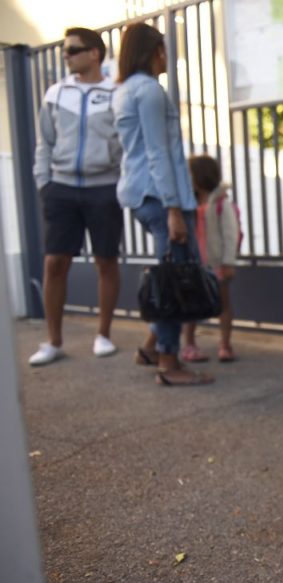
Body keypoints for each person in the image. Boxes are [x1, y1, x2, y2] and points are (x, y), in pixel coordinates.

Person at [114, 22, 212, 386]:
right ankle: (169, 365)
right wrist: (174, 209)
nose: (168, 56)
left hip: (142, 192)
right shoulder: (151, 92)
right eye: (164, 48)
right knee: (176, 279)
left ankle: (152, 346)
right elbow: (158, 153)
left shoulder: (125, 91)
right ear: (154, 51)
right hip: (161, 196)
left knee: (172, 269)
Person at [29, 27, 123, 366]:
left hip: (104, 187)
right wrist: (45, 183)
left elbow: (125, 143)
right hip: (62, 188)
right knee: (55, 263)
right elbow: (45, 142)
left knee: (106, 261)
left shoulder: (116, 92)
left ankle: (104, 335)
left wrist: (120, 182)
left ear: (94, 53)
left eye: (73, 50)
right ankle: (53, 341)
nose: (66, 56)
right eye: (66, 51)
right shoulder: (56, 93)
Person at [181, 155, 240, 363]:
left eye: (189, 174)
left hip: (217, 264)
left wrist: (228, 261)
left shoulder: (221, 204)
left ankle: (225, 344)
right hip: (195, 265)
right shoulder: (188, 203)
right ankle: (189, 344)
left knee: (223, 304)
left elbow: (230, 234)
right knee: (190, 307)